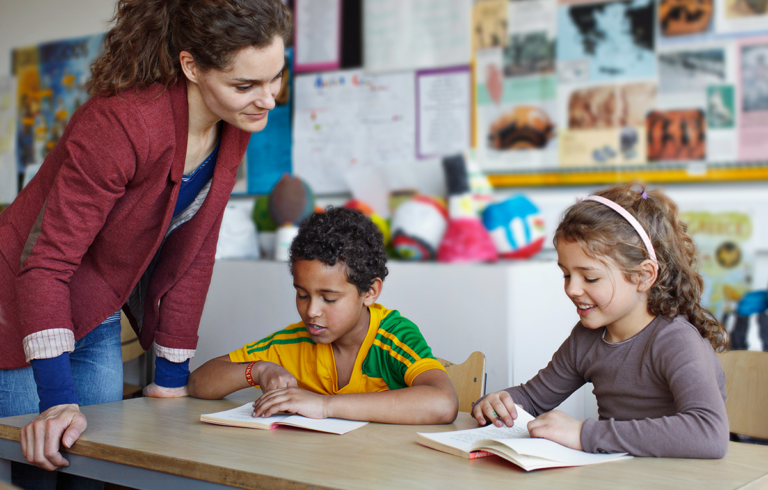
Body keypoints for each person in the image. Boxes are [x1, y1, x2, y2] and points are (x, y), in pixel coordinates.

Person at [0, 0, 292, 487]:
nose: (267, 99)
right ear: (191, 67)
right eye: (246, 84)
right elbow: (44, 263)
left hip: (95, 308)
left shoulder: (234, 128)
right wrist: (56, 399)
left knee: (98, 466)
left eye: (276, 76)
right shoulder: (121, 124)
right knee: (40, 469)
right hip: (20, 308)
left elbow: (193, 256)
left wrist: (170, 382)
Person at [471, 184, 730, 459]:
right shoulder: (586, 338)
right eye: (566, 275)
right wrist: (499, 403)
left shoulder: (676, 340)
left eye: (590, 277)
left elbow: (709, 434)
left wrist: (584, 434)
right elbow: (533, 399)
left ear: (643, 276)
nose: (572, 289)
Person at [187, 207, 459, 425]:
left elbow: (443, 403)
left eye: (329, 298)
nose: (311, 311)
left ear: (370, 292)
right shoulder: (295, 342)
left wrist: (323, 406)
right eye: (302, 294)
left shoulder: (393, 337)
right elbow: (199, 382)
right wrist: (258, 370)